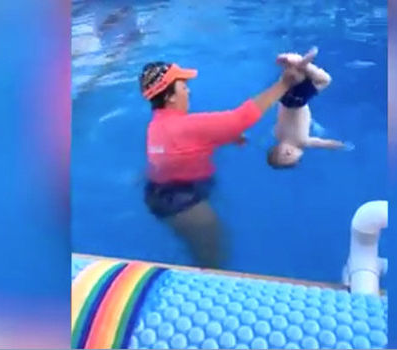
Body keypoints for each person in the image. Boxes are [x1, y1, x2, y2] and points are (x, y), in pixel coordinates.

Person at [139, 50, 315, 268]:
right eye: (183, 87)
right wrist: (284, 84)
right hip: (184, 203)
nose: (188, 92)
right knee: (214, 261)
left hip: (159, 191)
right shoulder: (187, 126)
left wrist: (224, 135)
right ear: (170, 97)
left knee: (194, 246)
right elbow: (241, 118)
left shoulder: (157, 126)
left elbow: (184, 145)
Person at [267, 49, 348, 169]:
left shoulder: (302, 142)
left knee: (324, 80)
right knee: (294, 78)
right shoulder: (277, 135)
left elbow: (323, 143)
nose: (300, 155)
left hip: (298, 102)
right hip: (282, 99)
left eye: (298, 157)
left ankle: (305, 64)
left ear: (289, 153)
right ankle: (289, 63)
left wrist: (340, 146)